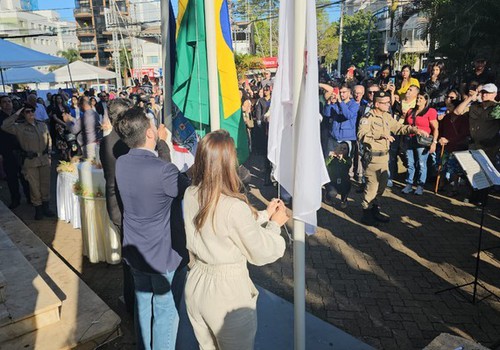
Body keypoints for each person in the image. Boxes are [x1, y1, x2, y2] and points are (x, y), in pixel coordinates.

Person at [183, 130, 287, 349]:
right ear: (229, 162)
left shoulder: (191, 193)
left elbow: (225, 225)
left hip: (196, 283)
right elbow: (262, 252)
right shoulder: (233, 207)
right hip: (226, 293)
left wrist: (266, 215)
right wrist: (275, 225)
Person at [115, 106, 182, 349]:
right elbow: (179, 187)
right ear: (150, 134)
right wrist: (164, 145)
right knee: (165, 311)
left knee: (143, 304)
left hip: (135, 251)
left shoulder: (122, 163)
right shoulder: (163, 170)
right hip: (160, 255)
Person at [358, 91, 428, 226]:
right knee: (372, 187)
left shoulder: (387, 116)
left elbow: (398, 128)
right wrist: (381, 136)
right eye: (385, 103)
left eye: (388, 102)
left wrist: (414, 130)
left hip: (384, 157)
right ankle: (366, 214)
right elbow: (362, 135)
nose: (388, 104)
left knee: (382, 186)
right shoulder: (368, 117)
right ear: (377, 104)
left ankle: (375, 210)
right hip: (373, 158)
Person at [1, 105, 55, 220]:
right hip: (30, 161)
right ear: (23, 114)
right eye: (27, 112)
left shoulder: (42, 125)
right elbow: (5, 125)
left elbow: (49, 140)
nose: (30, 113)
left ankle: (46, 207)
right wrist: (17, 112)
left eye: (32, 111)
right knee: (34, 186)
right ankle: (38, 208)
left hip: (44, 159)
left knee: (45, 184)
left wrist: (49, 155)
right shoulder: (19, 127)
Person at [401, 92, 439, 195]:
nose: (418, 100)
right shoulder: (411, 111)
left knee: (422, 163)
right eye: (417, 98)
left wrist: (434, 142)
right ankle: (409, 184)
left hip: (422, 141)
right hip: (410, 139)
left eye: (421, 98)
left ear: (426, 100)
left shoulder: (430, 111)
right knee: (410, 163)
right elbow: (405, 126)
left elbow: (435, 128)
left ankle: (420, 185)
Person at [437, 90, 470, 194]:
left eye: (451, 107)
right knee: (442, 166)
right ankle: (441, 184)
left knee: (454, 169)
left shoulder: (463, 119)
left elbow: (463, 134)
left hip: (457, 148)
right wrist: (440, 138)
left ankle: (454, 187)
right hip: (445, 147)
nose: (449, 108)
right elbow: (441, 130)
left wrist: (450, 140)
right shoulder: (446, 118)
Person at [0, 95, 30, 208]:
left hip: (21, 150)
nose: (7, 104)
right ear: (0, 105)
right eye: (4, 102)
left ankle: (29, 197)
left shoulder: (19, 115)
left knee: (25, 176)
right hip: (7, 151)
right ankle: (15, 199)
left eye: (9, 101)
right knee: (12, 177)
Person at [323, 83, 359, 157]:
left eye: (344, 92)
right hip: (334, 137)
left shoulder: (354, 104)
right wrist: (329, 102)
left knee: (345, 163)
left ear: (349, 92)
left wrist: (340, 101)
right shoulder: (336, 103)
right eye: (340, 92)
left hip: (346, 139)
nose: (341, 94)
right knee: (330, 162)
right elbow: (327, 114)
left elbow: (348, 115)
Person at [325, 141, 351, 208]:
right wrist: (331, 157)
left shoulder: (348, 159)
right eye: (340, 148)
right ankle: (327, 198)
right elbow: (325, 164)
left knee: (347, 186)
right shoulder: (332, 157)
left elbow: (348, 165)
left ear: (348, 150)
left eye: (344, 148)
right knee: (332, 193)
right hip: (331, 182)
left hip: (343, 182)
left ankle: (344, 200)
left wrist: (341, 159)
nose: (342, 150)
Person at [49, 94, 71, 161]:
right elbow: (55, 118)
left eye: (60, 98)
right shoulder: (54, 108)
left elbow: (69, 115)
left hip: (67, 124)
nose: (59, 100)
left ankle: (69, 154)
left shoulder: (66, 107)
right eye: (57, 98)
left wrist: (67, 123)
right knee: (61, 139)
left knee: (68, 138)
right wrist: (63, 124)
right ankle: (63, 154)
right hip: (59, 125)